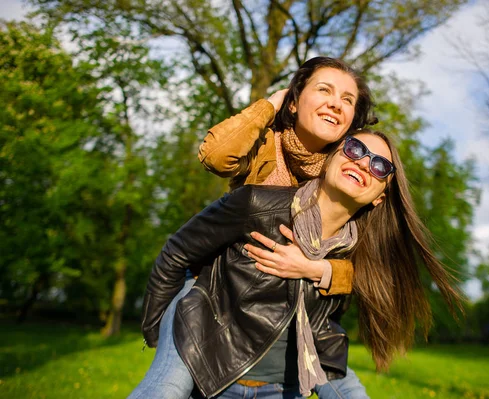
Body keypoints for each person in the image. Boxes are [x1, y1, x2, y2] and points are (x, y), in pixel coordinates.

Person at [130, 130, 463, 398]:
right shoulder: (256, 204)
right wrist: (157, 332)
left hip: (285, 386)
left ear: (380, 196)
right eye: (355, 149)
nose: (364, 163)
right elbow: (176, 253)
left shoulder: (357, 251)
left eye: (379, 166)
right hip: (210, 370)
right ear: (332, 157)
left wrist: (317, 268)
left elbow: (361, 295)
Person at [137, 57, 376, 399]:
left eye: (348, 100)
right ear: (294, 102)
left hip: (282, 312)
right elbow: (217, 156)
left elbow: (367, 271)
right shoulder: (266, 141)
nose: (336, 103)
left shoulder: (345, 176)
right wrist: (273, 103)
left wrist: (315, 268)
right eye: (324, 90)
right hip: (215, 294)